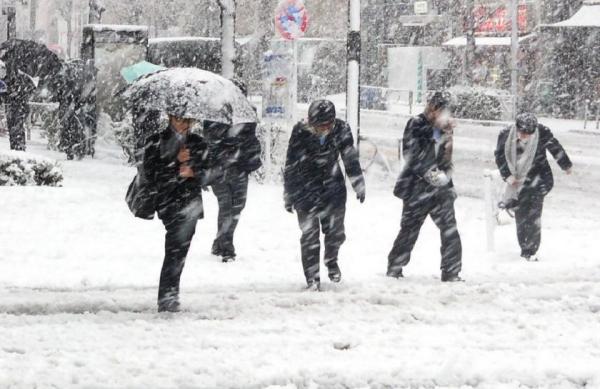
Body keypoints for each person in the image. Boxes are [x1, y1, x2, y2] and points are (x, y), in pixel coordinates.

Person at [284, 99, 366, 290]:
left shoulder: (341, 129)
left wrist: (358, 184)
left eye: (325, 125)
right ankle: (312, 277)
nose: (321, 129)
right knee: (309, 235)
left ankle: (331, 259)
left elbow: (350, 158)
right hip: (305, 188)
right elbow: (291, 163)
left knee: (336, 233)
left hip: (332, 187)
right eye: (317, 125)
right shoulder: (300, 131)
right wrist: (288, 193)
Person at [143, 108, 216, 312]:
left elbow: (211, 172)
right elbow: (151, 173)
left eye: (187, 120)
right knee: (175, 248)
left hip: (190, 203)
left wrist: (194, 170)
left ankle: (170, 293)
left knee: (179, 251)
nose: (183, 124)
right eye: (178, 119)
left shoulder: (198, 143)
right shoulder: (156, 141)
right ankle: (167, 296)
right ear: (170, 118)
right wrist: (176, 163)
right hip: (168, 202)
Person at [388, 91, 463, 282]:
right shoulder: (417, 124)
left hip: (440, 190)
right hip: (416, 189)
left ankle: (451, 271)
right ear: (433, 109)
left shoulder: (446, 130)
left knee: (450, 230)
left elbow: (446, 159)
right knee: (409, 230)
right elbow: (411, 154)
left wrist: (448, 180)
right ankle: (395, 268)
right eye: (443, 113)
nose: (446, 117)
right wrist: (429, 173)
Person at [494, 113, 573, 262]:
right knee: (521, 215)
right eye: (522, 133)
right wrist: (508, 176)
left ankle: (531, 251)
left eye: (529, 134)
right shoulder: (505, 134)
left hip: (539, 179)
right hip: (517, 182)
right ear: (516, 128)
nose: (525, 136)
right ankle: (524, 247)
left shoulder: (541, 132)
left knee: (534, 215)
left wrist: (566, 165)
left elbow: (555, 147)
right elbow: (499, 156)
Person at [205, 80, 262, 262]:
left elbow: (251, 140)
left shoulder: (248, 113)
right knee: (226, 205)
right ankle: (227, 246)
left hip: (239, 168)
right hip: (220, 168)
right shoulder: (214, 113)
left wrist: (249, 158)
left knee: (237, 206)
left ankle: (220, 240)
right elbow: (211, 142)